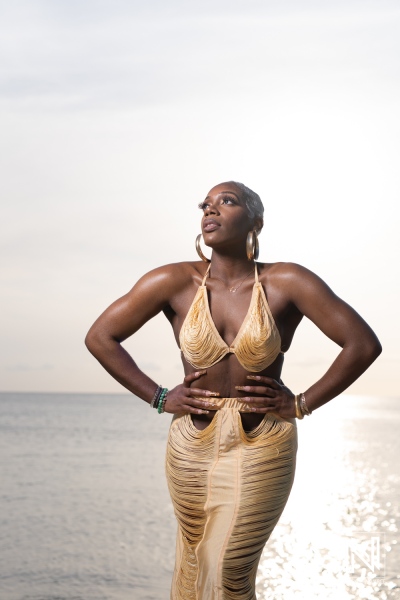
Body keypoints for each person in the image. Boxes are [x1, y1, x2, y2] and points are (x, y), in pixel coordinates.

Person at [85, 181, 381, 600]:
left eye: (227, 201)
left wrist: (301, 403)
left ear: (255, 221)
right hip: (191, 444)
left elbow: (363, 344)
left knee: (228, 565)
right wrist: (159, 396)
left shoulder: (287, 280)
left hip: (263, 443)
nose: (211, 209)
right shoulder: (173, 280)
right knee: (195, 560)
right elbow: (100, 337)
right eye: (205, 204)